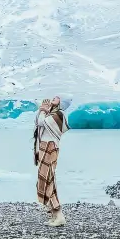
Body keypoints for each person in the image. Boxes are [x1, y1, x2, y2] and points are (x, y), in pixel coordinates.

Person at [34, 95, 71, 226]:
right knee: (45, 179)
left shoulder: (59, 114)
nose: (53, 98)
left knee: (49, 179)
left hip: (50, 147)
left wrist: (43, 110)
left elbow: (41, 122)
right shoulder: (51, 113)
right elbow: (38, 121)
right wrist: (42, 110)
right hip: (45, 146)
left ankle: (59, 215)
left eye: (57, 98)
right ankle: (54, 215)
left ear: (61, 103)